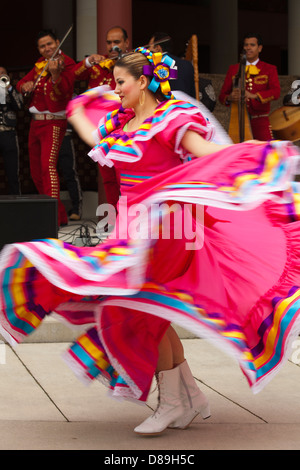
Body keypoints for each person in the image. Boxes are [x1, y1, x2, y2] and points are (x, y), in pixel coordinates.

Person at [1, 48, 300, 437]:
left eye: (121, 82)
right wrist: (75, 113)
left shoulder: (171, 119)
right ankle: (188, 398)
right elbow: (100, 145)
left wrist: (258, 158)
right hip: (133, 229)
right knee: (151, 310)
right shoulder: (123, 124)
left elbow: (206, 153)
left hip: (169, 229)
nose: (115, 89)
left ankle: (177, 402)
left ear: (143, 83)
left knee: (138, 307)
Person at [16, 29, 75, 227]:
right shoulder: (39, 65)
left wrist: (56, 75)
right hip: (36, 122)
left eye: (50, 44)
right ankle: (57, 215)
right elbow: (23, 82)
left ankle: (52, 217)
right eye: (43, 46)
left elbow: (63, 91)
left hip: (54, 122)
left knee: (47, 167)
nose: (47, 49)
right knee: (35, 171)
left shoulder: (66, 63)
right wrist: (24, 86)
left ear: (58, 42)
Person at [219, 32, 281, 140]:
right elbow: (222, 96)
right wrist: (230, 97)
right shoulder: (233, 69)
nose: (248, 48)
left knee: (266, 153)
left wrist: (254, 96)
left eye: (252, 45)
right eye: (246, 45)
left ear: (260, 48)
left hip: (260, 121)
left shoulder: (269, 69)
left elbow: (276, 92)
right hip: (238, 121)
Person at [148, 32, 216, 112]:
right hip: (185, 113)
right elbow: (193, 96)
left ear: (158, 48)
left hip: (161, 114)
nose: (148, 50)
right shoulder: (187, 65)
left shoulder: (151, 65)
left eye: (149, 46)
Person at [0, 66, 23, 195]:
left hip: (8, 133)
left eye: (3, 74)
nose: (0, 76)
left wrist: (8, 88)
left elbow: (19, 105)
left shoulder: (11, 90)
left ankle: (16, 201)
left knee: (12, 171)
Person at [58, 122, 83, 221]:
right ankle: (51, 209)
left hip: (64, 135)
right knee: (47, 172)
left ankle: (76, 209)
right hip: (48, 134)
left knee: (69, 172)